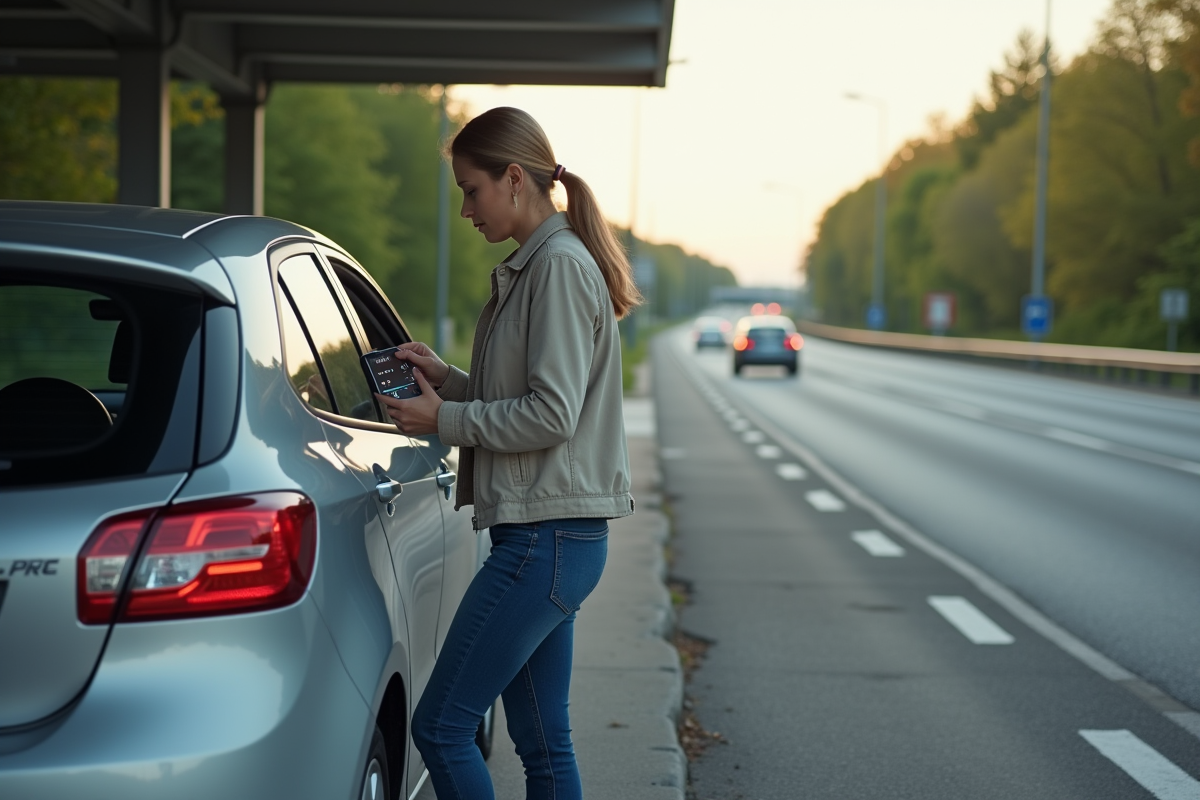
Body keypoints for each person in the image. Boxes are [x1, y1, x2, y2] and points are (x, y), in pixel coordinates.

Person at [375, 106, 640, 800]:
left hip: (544, 540)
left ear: (514, 179)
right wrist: (448, 381)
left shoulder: (557, 268)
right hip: (553, 536)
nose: (466, 210)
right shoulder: (542, 265)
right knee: (544, 744)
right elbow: (529, 398)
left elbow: (551, 415)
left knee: (442, 727)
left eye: (472, 190)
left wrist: (444, 419)